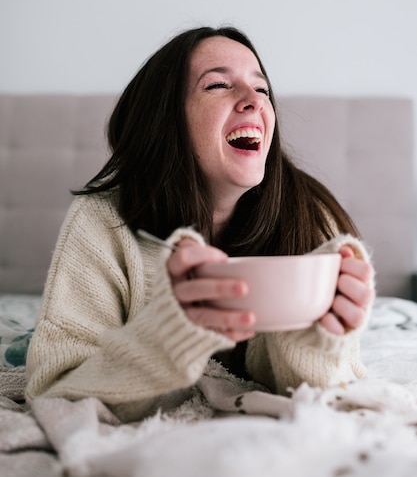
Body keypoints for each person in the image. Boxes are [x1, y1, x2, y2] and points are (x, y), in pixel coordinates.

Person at [25, 26, 375, 422]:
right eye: (218, 85)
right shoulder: (102, 222)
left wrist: (313, 344)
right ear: (165, 119)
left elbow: (330, 397)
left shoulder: (310, 215)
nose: (252, 101)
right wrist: (167, 337)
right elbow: (58, 393)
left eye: (261, 90)